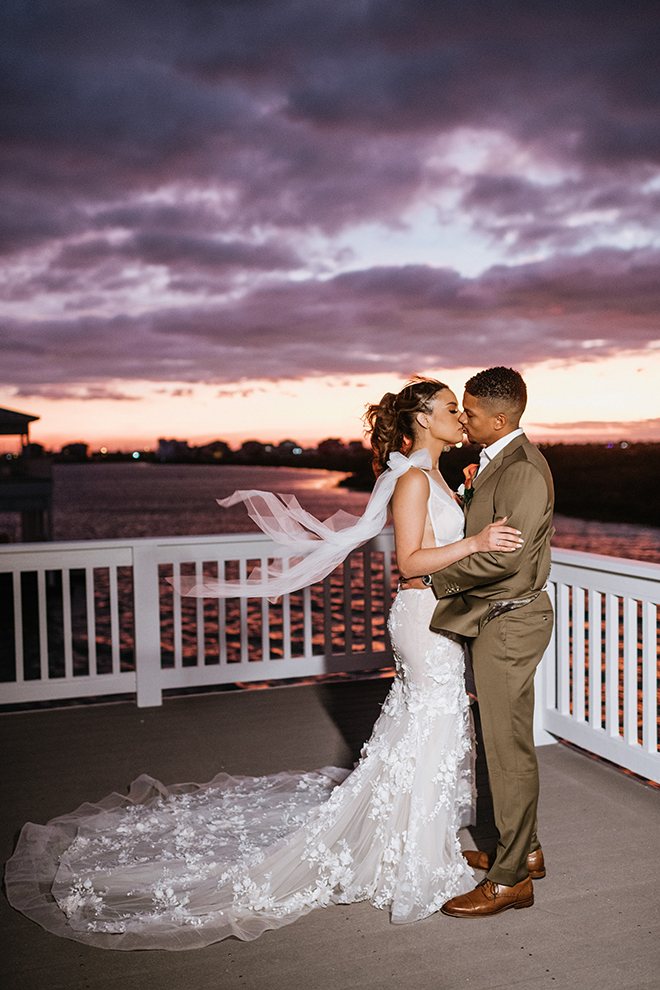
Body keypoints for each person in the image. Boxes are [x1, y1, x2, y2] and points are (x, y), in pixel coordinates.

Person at [5, 378, 523, 950]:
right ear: (422, 419)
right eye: (450, 408)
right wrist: (477, 544)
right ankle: (411, 857)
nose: (460, 415)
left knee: (429, 728)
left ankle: (417, 842)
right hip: (424, 616)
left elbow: (436, 536)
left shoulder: (435, 476)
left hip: (438, 616)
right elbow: (410, 560)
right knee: (431, 724)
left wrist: (469, 506)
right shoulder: (410, 480)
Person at [428, 367, 555, 918]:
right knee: (507, 743)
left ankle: (509, 883)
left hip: (509, 622)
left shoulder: (523, 469)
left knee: (506, 751)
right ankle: (524, 851)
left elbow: (508, 557)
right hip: (497, 617)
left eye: (471, 413)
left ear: (499, 420)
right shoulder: (497, 461)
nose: (463, 418)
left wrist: (434, 579)